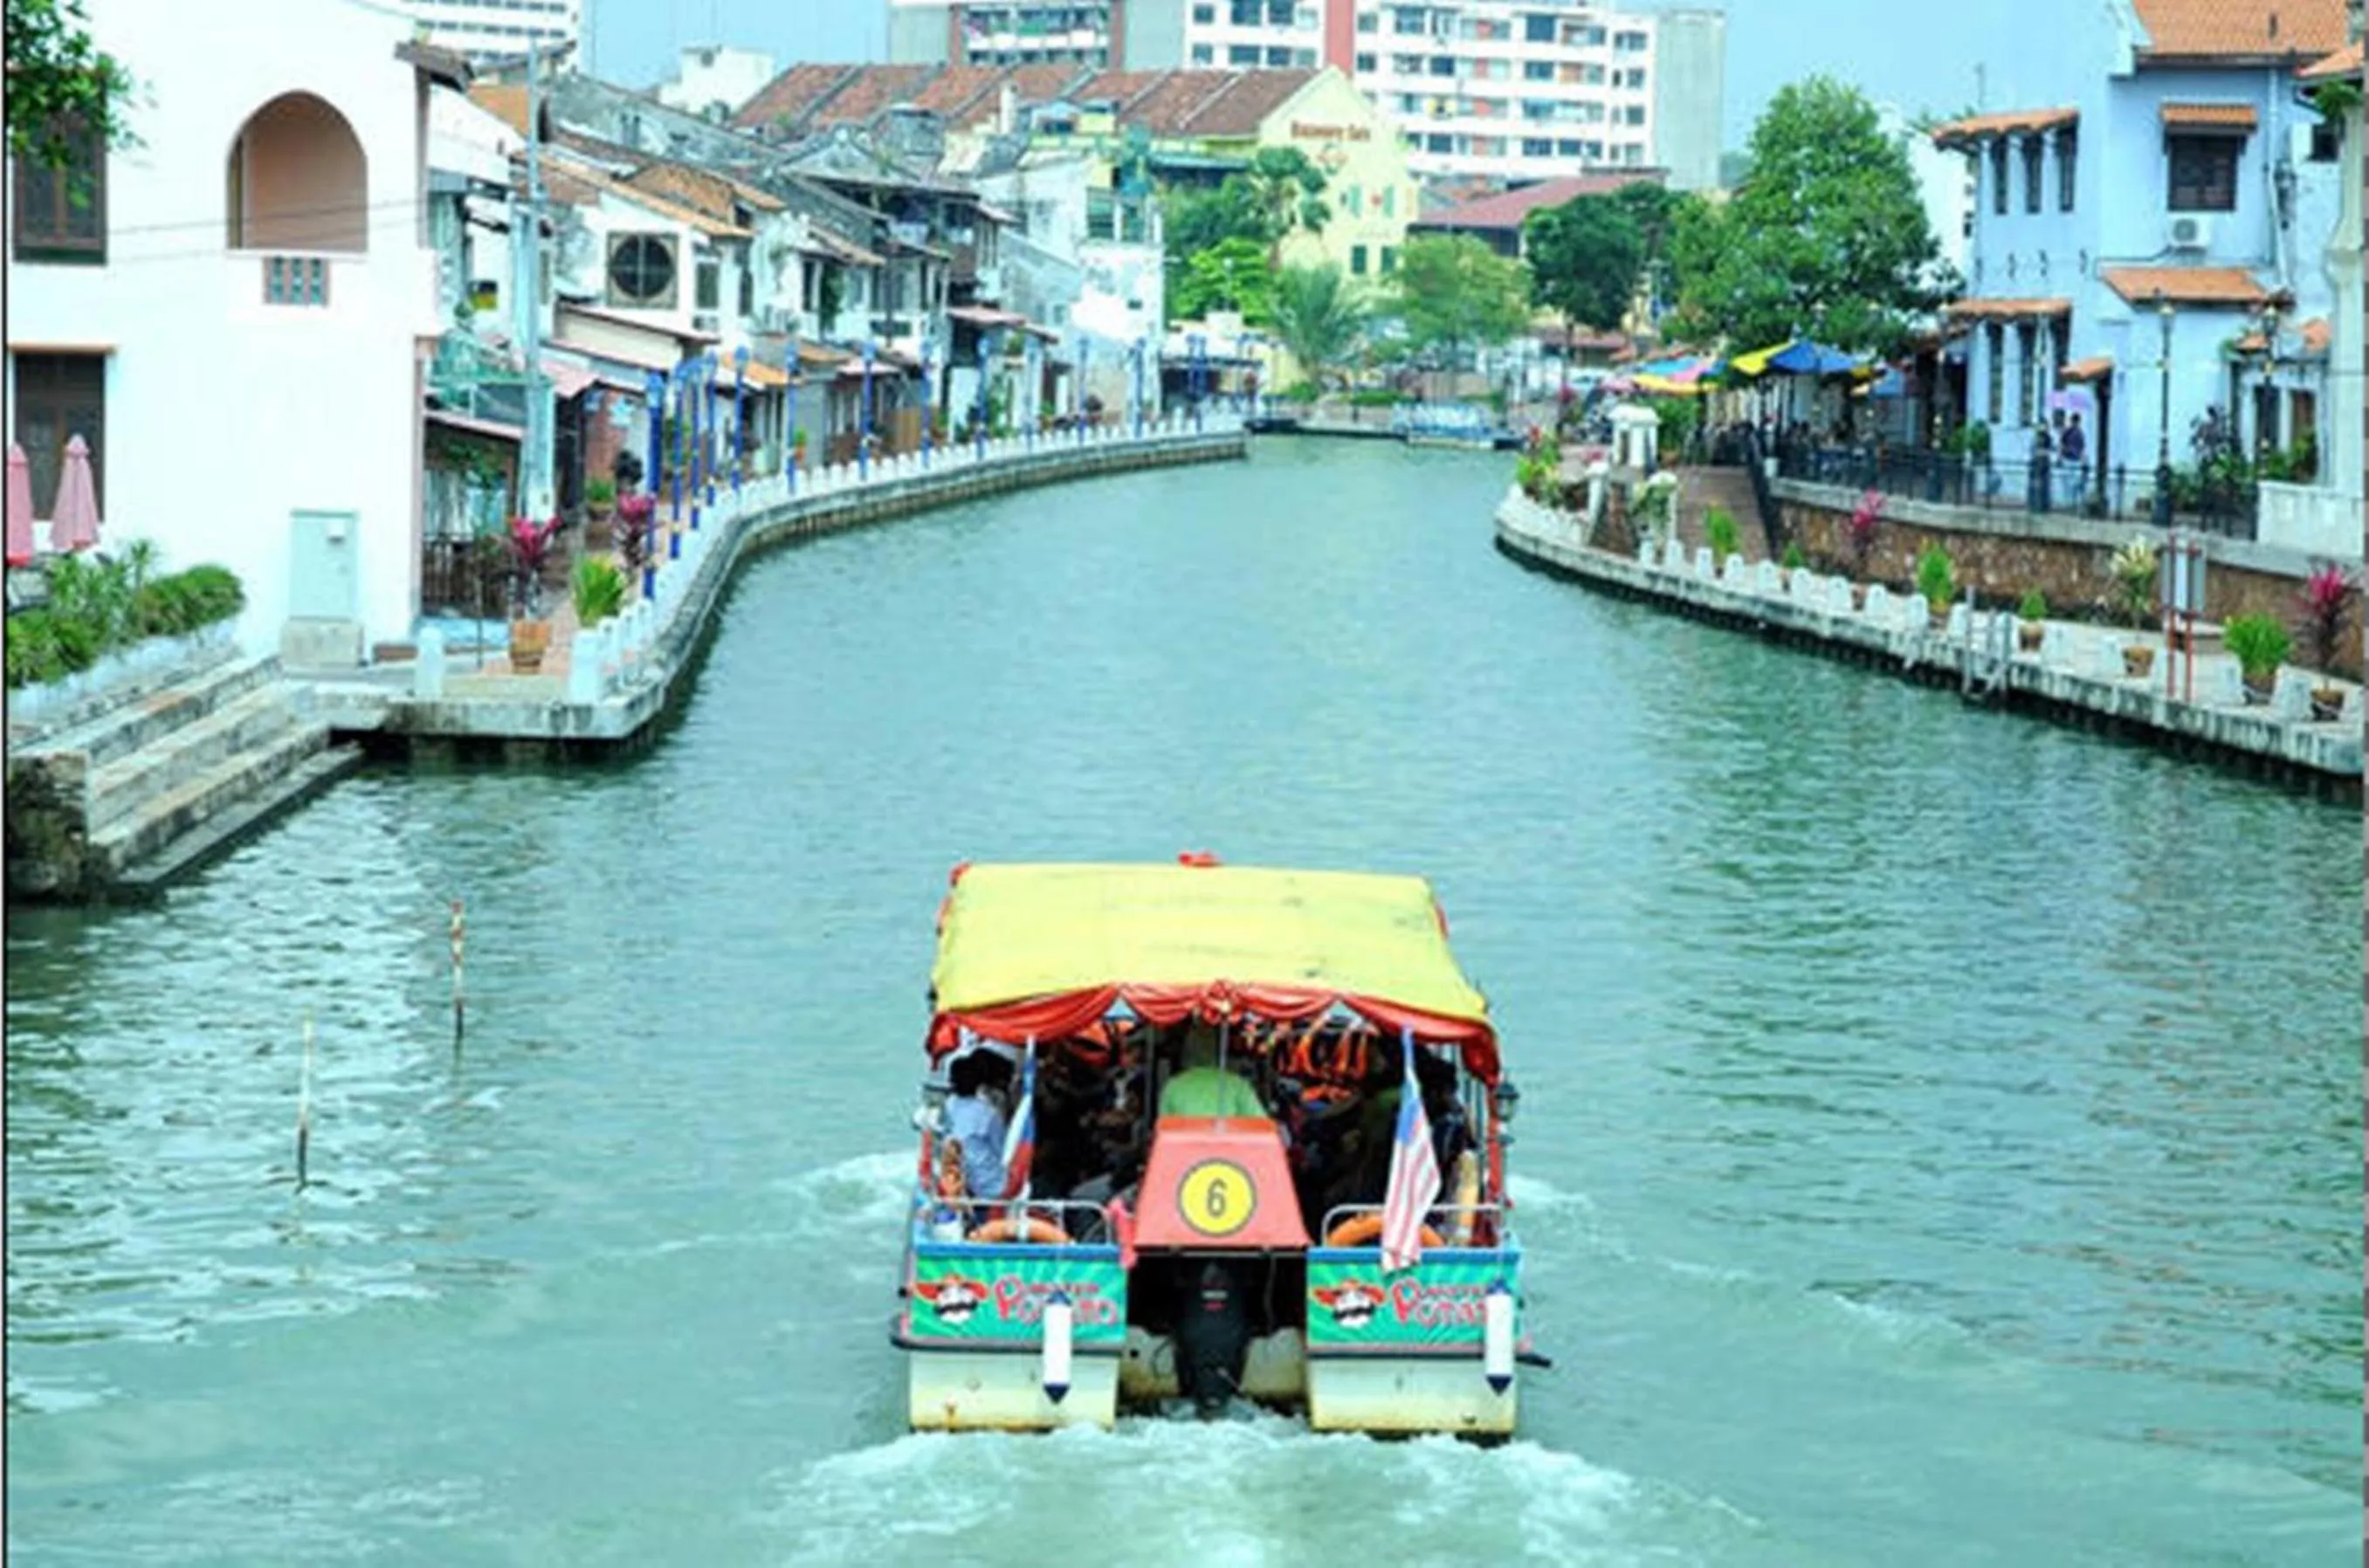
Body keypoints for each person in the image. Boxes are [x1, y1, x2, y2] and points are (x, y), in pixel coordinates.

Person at [1158, 1022, 1266, 1119]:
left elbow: (1163, 1132)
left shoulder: (1172, 1087)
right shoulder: (1238, 1085)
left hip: (1185, 1142)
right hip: (1228, 1141)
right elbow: (1262, 1127)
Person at [943, 1052, 1009, 1202]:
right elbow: (1001, 1149)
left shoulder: (948, 1105)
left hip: (960, 1175)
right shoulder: (989, 1113)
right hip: (987, 1183)